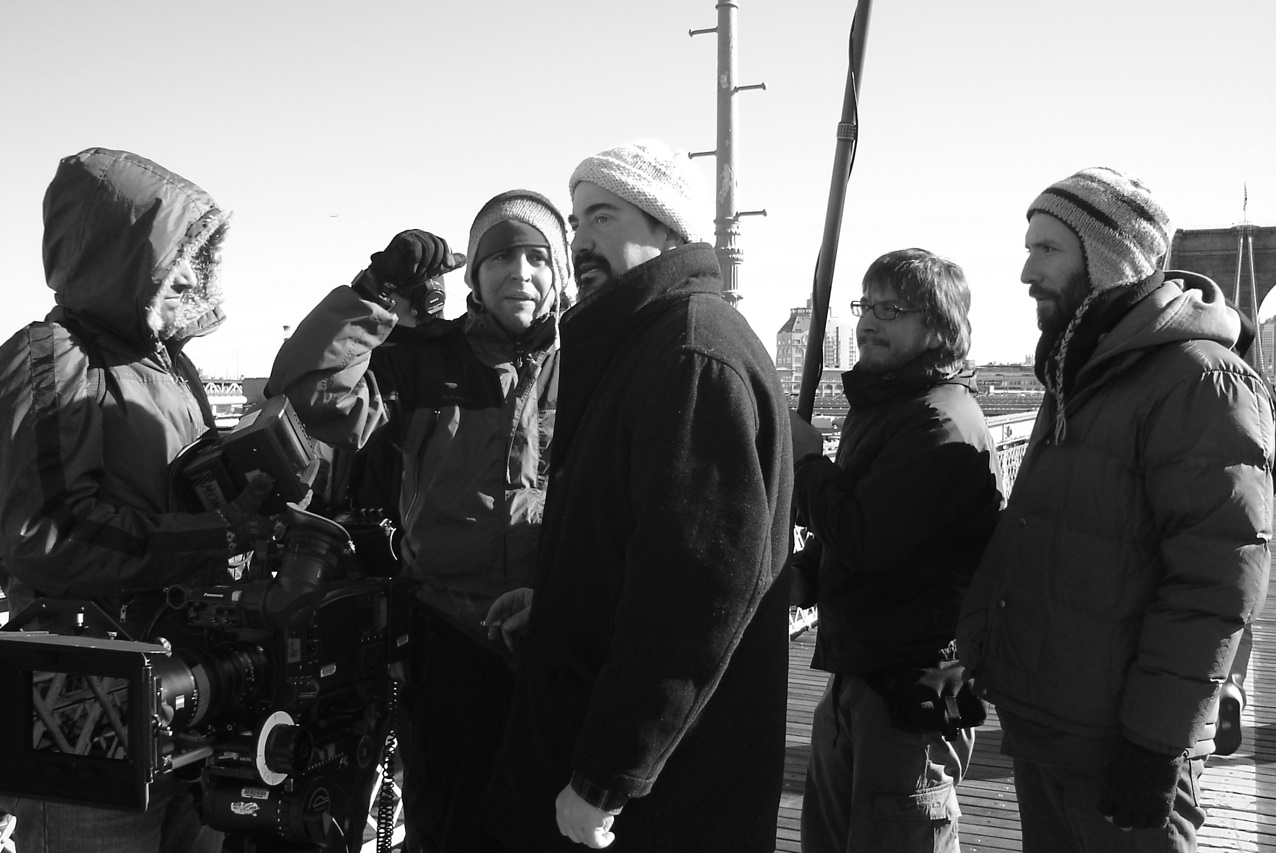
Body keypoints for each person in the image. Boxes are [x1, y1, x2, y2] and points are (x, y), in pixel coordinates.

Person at [483, 139, 793, 852]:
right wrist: (560, 599)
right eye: (577, 220)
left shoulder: (689, 354)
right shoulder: (653, 342)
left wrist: (607, 774)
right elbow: (642, 538)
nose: (579, 240)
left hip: (662, 795)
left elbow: (695, 593)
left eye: (602, 217)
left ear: (664, 227)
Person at [957, 167, 1275, 852]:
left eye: (1046, 248)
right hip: (1050, 723)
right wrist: (978, 655)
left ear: (1105, 260)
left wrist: (1157, 742)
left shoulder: (1198, 379)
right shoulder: (1081, 370)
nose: (1024, 270)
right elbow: (1033, 532)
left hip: (1120, 741)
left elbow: (1216, 581)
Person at [268, 190, 571, 852]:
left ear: (562, 273)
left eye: (538, 257)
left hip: (563, 633)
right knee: (448, 825)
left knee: (557, 825)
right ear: (474, 278)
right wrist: (372, 293)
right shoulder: (426, 360)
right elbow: (308, 397)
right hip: (450, 636)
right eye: (500, 258)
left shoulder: (593, 363)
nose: (520, 272)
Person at [0, 147, 274, 852]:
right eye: (172, 253)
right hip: (84, 688)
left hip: (183, 683)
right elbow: (49, 531)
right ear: (116, 254)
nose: (187, 273)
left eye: (196, 254)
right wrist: (215, 533)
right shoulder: (54, 353)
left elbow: (181, 492)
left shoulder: (171, 365)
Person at [788, 249, 1004, 852]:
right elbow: (878, 530)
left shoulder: (938, 424)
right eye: (866, 305)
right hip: (862, 670)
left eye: (893, 309)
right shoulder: (891, 407)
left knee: (900, 836)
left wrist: (806, 462)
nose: (869, 322)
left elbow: (866, 536)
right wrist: (807, 573)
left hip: (912, 688)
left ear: (938, 328)